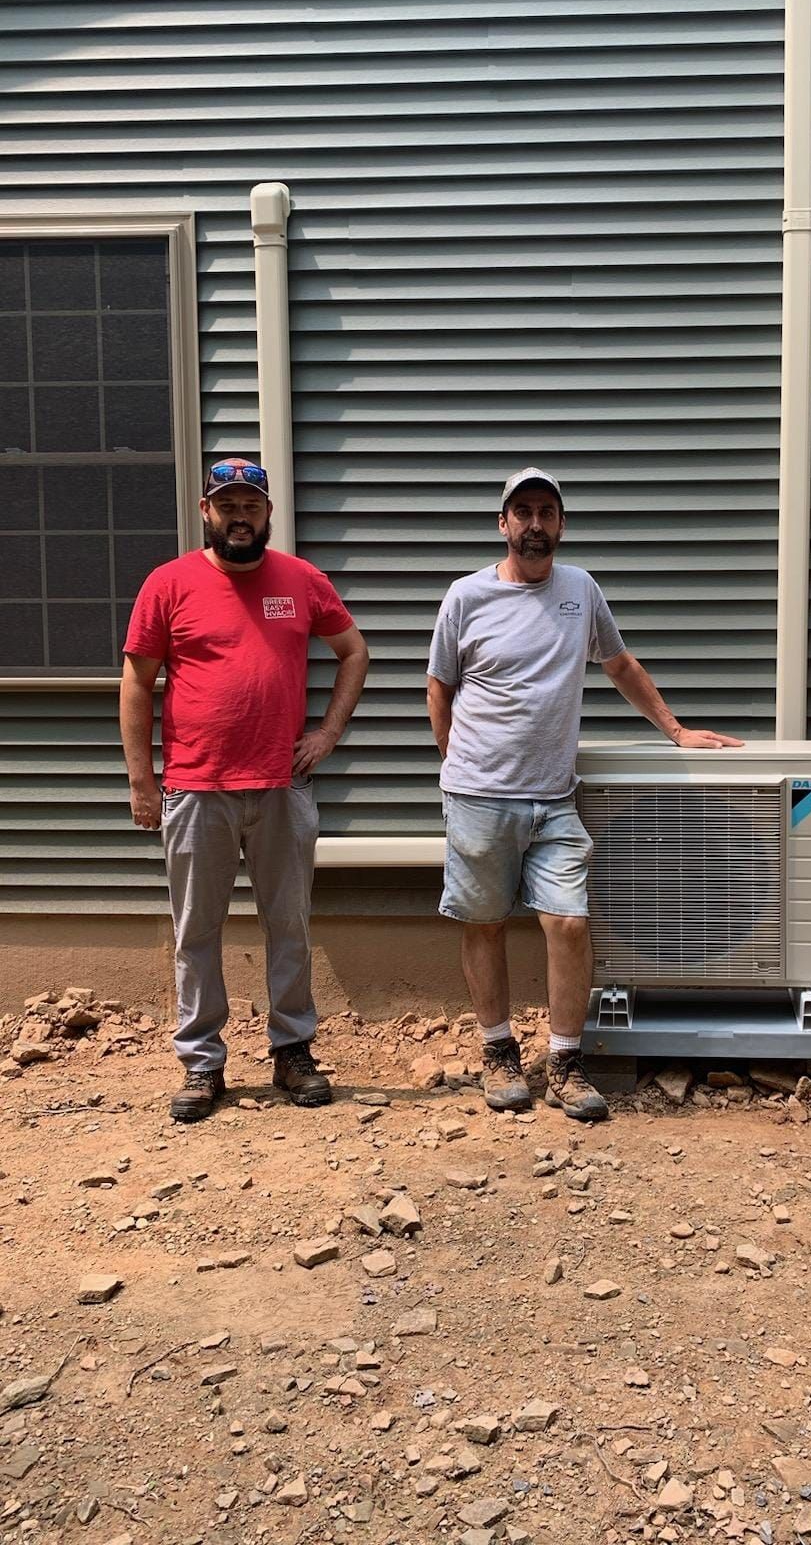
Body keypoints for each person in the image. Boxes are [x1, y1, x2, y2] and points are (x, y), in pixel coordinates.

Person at [426, 466, 742, 1122]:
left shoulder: (581, 591)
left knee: (568, 922)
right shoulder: (465, 596)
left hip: (553, 797)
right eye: (523, 512)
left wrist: (677, 730)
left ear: (560, 524)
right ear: (502, 523)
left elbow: (619, 664)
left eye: (546, 512)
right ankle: (498, 1054)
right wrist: (457, 761)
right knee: (484, 925)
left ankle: (565, 1063)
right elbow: (440, 686)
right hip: (479, 796)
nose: (534, 524)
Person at [120, 458, 370, 1122]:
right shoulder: (168, 584)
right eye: (226, 504)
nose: (239, 516)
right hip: (197, 787)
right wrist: (143, 781)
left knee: (287, 925)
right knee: (195, 931)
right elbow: (137, 683)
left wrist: (328, 734)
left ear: (267, 514)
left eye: (250, 506)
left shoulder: (299, 580)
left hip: (281, 786)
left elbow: (354, 651)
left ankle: (292, 1052)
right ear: (206, 512)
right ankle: (202, 1065)